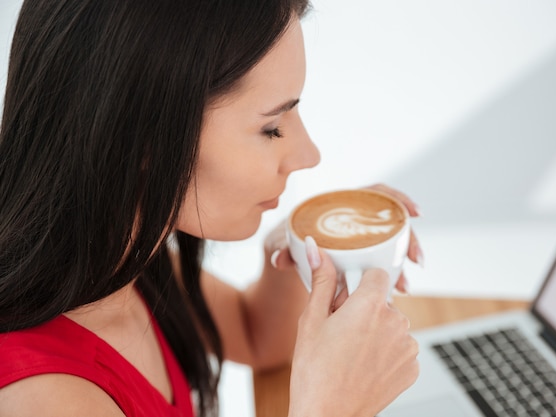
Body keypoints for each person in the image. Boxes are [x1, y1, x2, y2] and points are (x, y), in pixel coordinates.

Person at [0, 1, 422, 416]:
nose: (308, 154)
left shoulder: (122, 267)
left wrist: (303, 250)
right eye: (271, 127)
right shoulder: (44, 398)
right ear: (145, 136)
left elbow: (258, 338)